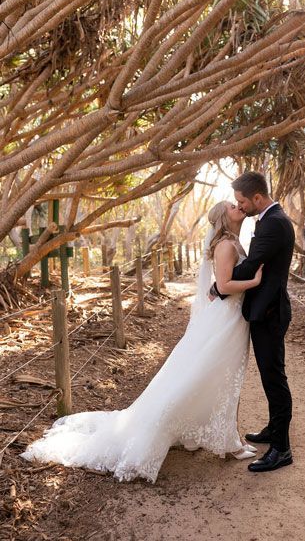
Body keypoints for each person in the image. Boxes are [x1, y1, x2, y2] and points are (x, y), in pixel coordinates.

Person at [20, 201, 263, 483]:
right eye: (233, 206)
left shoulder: (232, 243)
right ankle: (227, 442)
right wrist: (254, 282)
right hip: (224, 321)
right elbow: (223, 286)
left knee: (218, 378)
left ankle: (223, 437)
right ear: (224, 216)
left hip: (229, 319)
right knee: (209, 378)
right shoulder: (226, 246)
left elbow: (214, 288)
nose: (239, 207)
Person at [210, 171, 295, 472]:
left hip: (269, 312)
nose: (241, 206)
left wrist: (219, 287)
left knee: (274, 379)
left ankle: (281, 449)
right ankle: (274, 429)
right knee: (270, 376)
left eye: (242, 201)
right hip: (265, 309)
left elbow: (250, 266)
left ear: (257, 198)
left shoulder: (274, 223)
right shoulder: (270, 220)